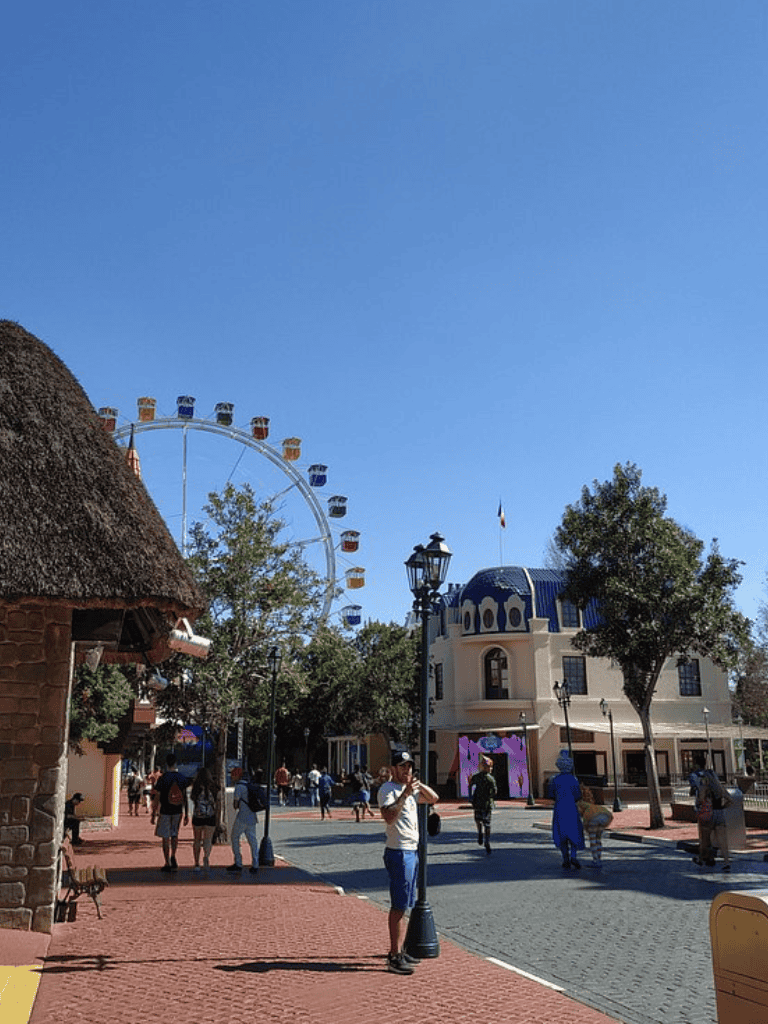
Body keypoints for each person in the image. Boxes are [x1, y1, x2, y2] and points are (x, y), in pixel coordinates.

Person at [377, 751, 439, 976]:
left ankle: (402, 949)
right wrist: (405, 794)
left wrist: (417, 786)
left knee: (407, 903)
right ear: (393, 769)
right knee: (399, 906)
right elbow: (389, 817)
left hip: (412, 851)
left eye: (409, 767)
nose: (406, 771)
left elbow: (433, 798)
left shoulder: (411, 792)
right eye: (402, 767)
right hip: (399, 851)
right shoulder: (387, 790)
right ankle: (394, 955)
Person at [151, 753, 189, 872]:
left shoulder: (163, 778)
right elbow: (184, 796)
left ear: (166, 764)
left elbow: (157, 796)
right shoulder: (181, 777)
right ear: (175, 763)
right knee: (174, 834)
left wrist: (154, 813)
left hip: (165, 811)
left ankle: (167, 861)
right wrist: (186, 813)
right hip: (178, 811)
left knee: (165, 837)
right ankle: (174, 855)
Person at [690, 769, 732, 872]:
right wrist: (723, 806)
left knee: (706, 839)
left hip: (709, 814)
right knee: (723, 841)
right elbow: (730, 799)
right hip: (720, 813)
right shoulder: (720, 788)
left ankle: (701, 858)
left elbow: (700, 800)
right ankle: (726, 862)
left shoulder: (706, 788)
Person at [550, 750, 584, 870]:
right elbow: (578, 795)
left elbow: (551, 794)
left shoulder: (554, 779)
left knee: (562, 834)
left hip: (559, 808)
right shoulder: (574, 779)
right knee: (574, 832)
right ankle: (574, 856)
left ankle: (565, 858)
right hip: (571, 809)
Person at [228, 766, 262, 874]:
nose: (232, 777)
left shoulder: (239, 787)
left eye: (233, 775)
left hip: (242, 817)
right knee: (253, 840)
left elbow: (235, 805)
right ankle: (255, 863)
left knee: (234, 837)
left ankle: (238, 862)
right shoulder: (249, 785)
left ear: (236, 776)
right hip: (252, 816)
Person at [577, 786, 614, 867]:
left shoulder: (581, 805)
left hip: (593, 818)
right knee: (598, 838)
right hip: (606, 816)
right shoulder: (594, 806)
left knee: (593, 840)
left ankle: (595, 860)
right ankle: (599, 858)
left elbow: (581, 814)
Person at [190, 766, 217, 872]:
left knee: (197, 840)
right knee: (208, 839)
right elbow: (217, 800)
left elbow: (192, 798)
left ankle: (196, 863)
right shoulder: (213, 786)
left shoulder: (196, 786)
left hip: (198, 816)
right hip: (210, 816)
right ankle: (206, 857)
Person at [468, 755, 497, 855]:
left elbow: (471, 787)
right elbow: (494, 791)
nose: (490, 769)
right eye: (489, 767)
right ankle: (487, 841)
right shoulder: (491, 779)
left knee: (478, 820)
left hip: (477, 803)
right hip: (487, 804)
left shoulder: (476, 777)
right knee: (487, 824)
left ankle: (480, 832)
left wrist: (471, 798)